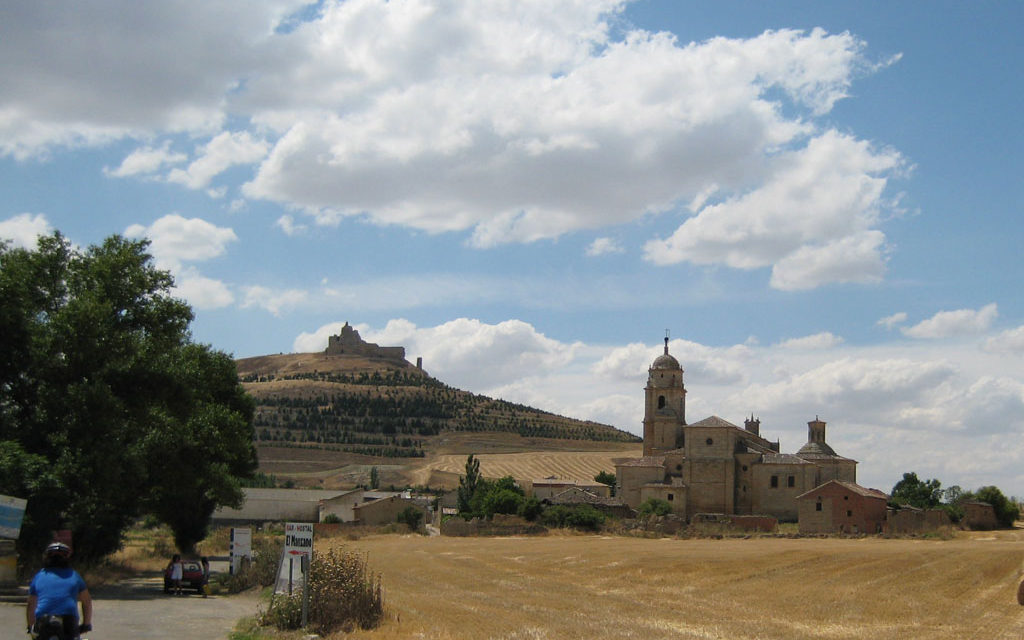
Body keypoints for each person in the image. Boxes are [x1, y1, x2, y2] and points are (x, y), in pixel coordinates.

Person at [26, 542, 93, 638]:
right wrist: (86, 624)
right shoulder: (74, 576)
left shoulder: (39, 576)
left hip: (43, 620)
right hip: (69, 620)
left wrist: (30, 626)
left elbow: (31, 604)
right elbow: (87, 602)